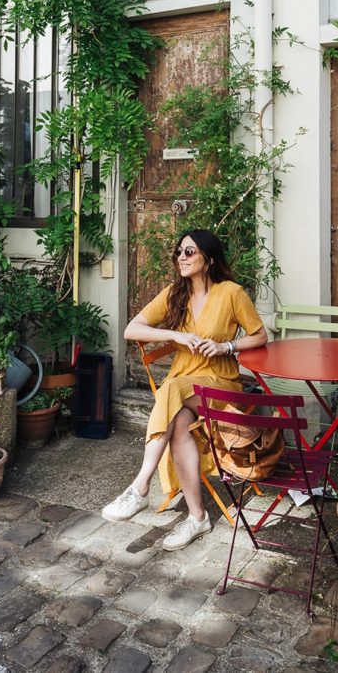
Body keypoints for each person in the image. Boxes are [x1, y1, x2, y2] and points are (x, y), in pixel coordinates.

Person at [99, 229, 267, 550]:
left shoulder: (231, 293)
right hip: (185, 387)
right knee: (178, 425)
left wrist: (226, 346)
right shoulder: (174, 294)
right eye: (179, 252)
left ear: (209, 258)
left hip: (220, 385)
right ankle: (197, 517)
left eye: (189, 252)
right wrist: (175, 336)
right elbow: (131, 329)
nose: (181, 257)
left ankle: (140, 487)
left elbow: (259, 336)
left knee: (171, 389)